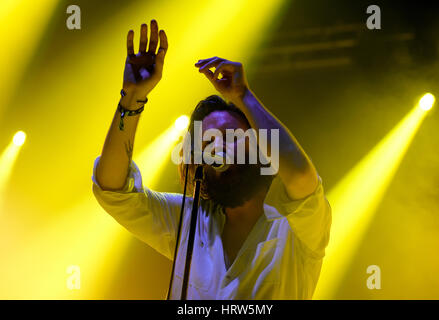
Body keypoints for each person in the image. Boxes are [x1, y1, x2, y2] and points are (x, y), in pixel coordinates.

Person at [92, 19, 331, 299]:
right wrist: (131, 98)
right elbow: (112, 189)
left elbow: (303, 177)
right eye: (207, 142)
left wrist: (243, 97)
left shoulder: (297, 225)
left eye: (232, 136)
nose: (219, 147)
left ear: (259, 147)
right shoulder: (189, 220)